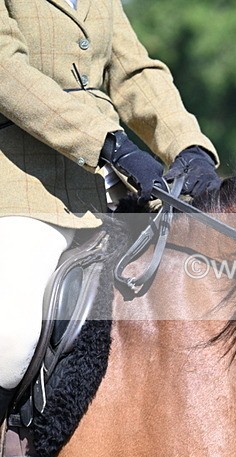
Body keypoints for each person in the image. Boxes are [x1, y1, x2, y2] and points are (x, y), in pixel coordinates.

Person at [0, 0, 222, 415]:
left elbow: (134, 70)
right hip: (23, 188)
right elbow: (5, 72)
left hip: (106, 191)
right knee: (10, 341)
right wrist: (109, 144)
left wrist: (188, 146)